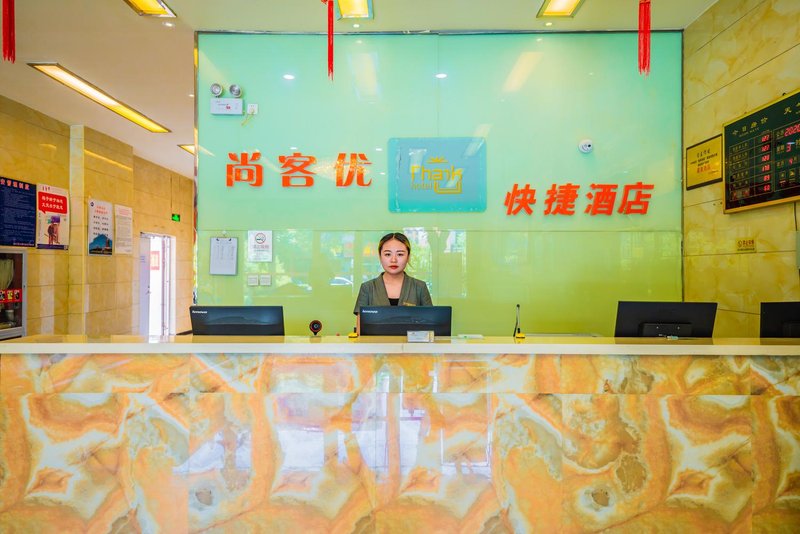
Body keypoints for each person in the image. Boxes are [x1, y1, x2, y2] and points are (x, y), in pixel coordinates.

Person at [353, 232, 432, 332]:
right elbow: (360, 331)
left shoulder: (420, 287)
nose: (393, 260)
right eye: (387, 254)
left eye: (400, 254)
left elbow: (430, 327)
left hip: (412, 342)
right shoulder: (367, 288)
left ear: (408, 257)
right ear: (380, 256)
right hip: (374, 342)